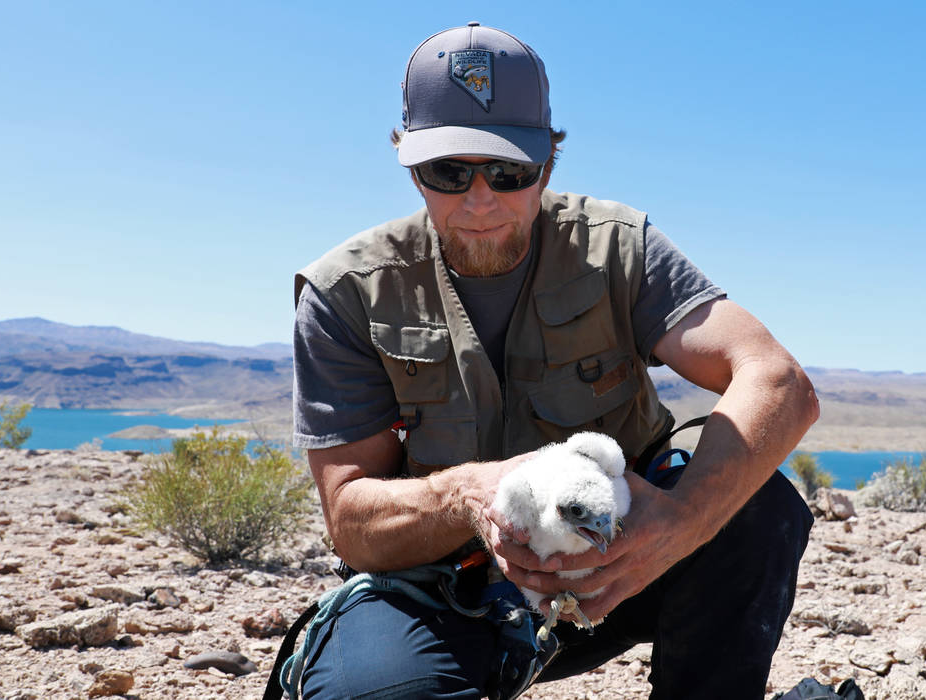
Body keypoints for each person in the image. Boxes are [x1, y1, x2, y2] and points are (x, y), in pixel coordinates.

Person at [292, 22, 819, 700]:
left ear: (548, 163)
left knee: (756, 510)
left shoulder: (617, 249)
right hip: (450, 595)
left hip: (618, 567)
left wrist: (679, 522)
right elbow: (353, 520)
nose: (480, 200)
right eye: (447, 172)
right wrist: (464, 496)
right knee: (368, 693)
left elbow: (776, 380)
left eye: (510, 172)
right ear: (409, 166)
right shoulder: (347, 293)